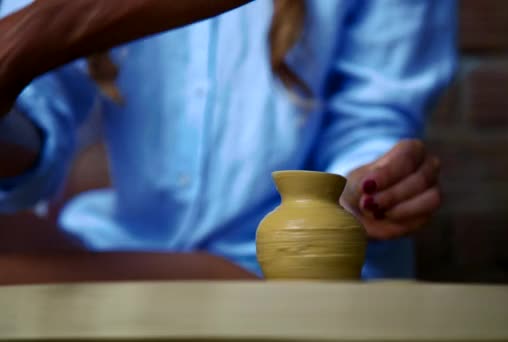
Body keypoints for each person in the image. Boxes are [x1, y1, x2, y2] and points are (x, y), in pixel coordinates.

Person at [0, 0, 456, 279]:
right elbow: (36, 119)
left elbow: (370, 114)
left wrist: (366, 185)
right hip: (125, 247)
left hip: (291, 270)